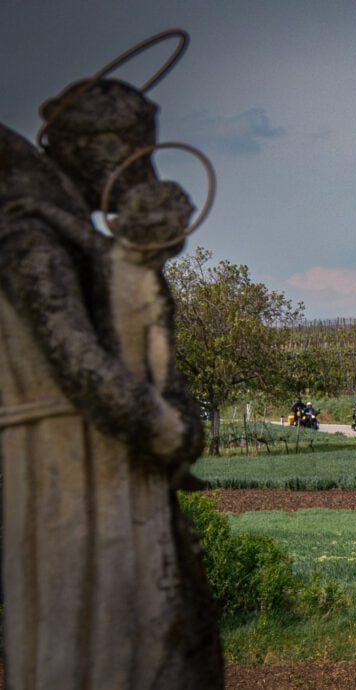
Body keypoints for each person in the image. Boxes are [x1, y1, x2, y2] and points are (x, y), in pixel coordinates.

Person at [0, 33, 222, 687]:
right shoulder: (31, 239)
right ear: (101, 154)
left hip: (98, 468)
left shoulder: (67, 237)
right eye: (134, 157)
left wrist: (138, 265)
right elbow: (86, 372)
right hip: (72, 474)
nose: (142, 176)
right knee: (108, 642)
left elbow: (128, 357)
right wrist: (171, 431)